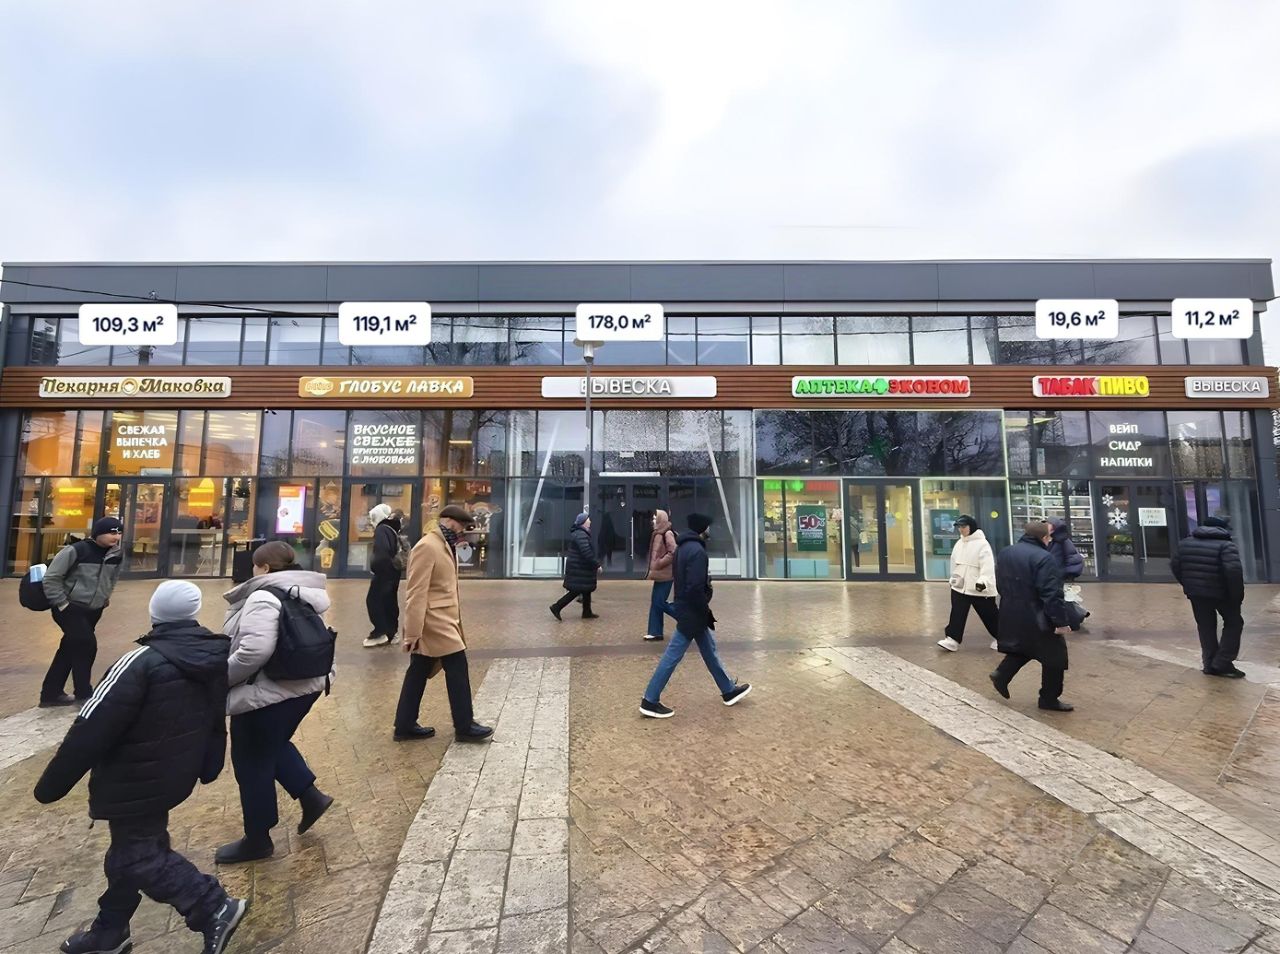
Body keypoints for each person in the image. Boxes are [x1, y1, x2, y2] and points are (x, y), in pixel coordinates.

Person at [34, 581, 248, 954]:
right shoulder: (212, 656)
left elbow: (91, 727)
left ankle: (212, 905)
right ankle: (109, 931)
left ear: (155, 613)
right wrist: (209, 764)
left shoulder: (137, 662)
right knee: (130, 853)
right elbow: (216, 718)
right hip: (172, 775)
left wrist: (50, 786)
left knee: (138, 857)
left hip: (132, 780)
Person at [216, 541, 335, 864]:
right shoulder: (304, 592)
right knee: (272, 743)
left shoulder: (263, 596)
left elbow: (254, 652)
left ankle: (258, 838)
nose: (252, 571)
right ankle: (311, 797)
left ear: (265, 568)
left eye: (255, 566)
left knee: (251, 760)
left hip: (270, 689)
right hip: (305, 684)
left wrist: (222, 678)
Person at [394, 504, 494, 743]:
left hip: (443, 619)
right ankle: (464, 726)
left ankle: (404, 725)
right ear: (449, 521)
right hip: (433, 622)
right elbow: (416, 592)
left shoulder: (444, 545)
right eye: (461, 526)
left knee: (418, 671)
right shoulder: (427, 546)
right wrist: (412, 632)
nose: (462, 532)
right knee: (457, 667)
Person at [640, 513, 751, 718]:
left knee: (710, 651)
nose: (709, 530)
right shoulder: (697, 551)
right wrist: (703, 609)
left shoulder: (682, 548)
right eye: (707, 526)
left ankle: (728, 690)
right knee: (672, 655)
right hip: (692, 612)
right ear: (702, 528)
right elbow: (695, 587)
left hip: (687, 607)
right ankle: (650, 699)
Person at [40, 516, 125, 707]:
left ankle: (50, 694)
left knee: (70, 648)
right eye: (111, 532)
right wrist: (62, 603)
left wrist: (105, 596)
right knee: (87, 645)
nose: (116, 536)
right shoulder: (76, 550)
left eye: (119, 532)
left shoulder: (116, 554)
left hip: (94, 609)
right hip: (69, 608)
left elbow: (113, 578)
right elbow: (52, 578)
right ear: (98, 533)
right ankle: (84, 692)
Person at [989, 521, 1074, 712]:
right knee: (1055, 657)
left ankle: (1002, 675)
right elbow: (1051, 593)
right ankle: (1049, 698)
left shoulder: (1006, 553)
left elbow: (1000, 582)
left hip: (1011, 610)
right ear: (1044, 538)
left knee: (1025, 647)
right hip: (1038, 614)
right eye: (1049, 537)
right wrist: (1060, 621)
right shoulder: (1044, 558)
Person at [1171, 515, 1246, 678]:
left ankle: (1209, 664)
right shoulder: (1226, 545)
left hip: (1197, 594)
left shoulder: (1185, 543)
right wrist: (1237, 596)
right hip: (1222, 593)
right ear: (1222, 529)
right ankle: (1223, 662)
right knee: (1234, 623)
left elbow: (1176, 566)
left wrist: (1188, 584)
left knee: (1206, 627)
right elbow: (1233, 573)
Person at [936, 514, 999, 652]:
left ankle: (1002, 637)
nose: (961, 529)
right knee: (957, 613)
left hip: (979, 588)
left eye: (964, 526)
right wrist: (953, 577)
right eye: (959, 527)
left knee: (989, 614)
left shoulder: (982, 544)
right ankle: (952, 639)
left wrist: (984, 580)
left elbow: (987, 565)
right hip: (960, 586)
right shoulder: (959, 543)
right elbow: (954, 562)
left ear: (971, 527)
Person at [364, 503, 405, 648]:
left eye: (373, 517)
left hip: (384, 572)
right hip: (393, 571)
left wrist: (376, 567)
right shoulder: (392, 528)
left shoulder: (382, 529)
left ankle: (380, 633)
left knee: (374, 601)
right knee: (389, 602)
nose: (371, 521)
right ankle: (391, 633)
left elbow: (382, 552)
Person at [550, 512, 601, 620]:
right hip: (579, 567)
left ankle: (587, 612)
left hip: (580, 566)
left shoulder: (580, 533)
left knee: (586, 589)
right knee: (576, 590)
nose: (590, 521)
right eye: (588, 519)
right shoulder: (581, 535)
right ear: (583, 522)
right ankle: (556, 607)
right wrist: (596, 565)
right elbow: (586, 552)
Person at [644, 509, 679, 642]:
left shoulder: (667, 533)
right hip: (660, 575)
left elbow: (673, 552)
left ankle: (684, 617)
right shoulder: (658, 533)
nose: (653, 521)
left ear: (661, 520)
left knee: (659, 602)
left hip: (666, 575)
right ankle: (655, 632)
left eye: (655, 518)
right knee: (656, 602)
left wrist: (659, 563)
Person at [1048, 518, 1089, 631]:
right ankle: (1078, 615)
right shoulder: (1053, 541)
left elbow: (1072, 558)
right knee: (1063, 599)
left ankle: (1075, 620)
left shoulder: (1061, 541)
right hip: (1056, 574)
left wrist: (1068, 574)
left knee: (1063, 600)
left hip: (1059, 575)